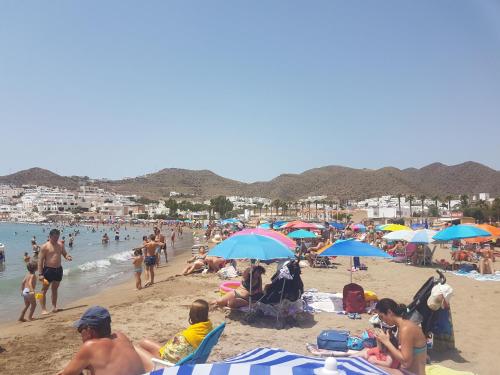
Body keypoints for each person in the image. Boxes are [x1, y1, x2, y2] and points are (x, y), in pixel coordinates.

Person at [58, 306, 145, 375]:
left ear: (89, 331)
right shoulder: (120, 336)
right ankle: (160, 353)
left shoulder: (90, 346)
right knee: (141, 346)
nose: (80, 334)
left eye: (80, 329)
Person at [135, 300, 213, 371]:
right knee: (143, 342)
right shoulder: (206, 329)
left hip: (168, 365)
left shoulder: (190, 335)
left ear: (191, 315)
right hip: (176, 358)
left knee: (135, 349)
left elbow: (174, 352)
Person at [374, 298, 427, 375]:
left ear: (389, 312)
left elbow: (406, 362)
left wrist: (386, 341)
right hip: (405, 371)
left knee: (373, 369)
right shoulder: (403, 325)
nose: (382, 321)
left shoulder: (406, 329)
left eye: (381, 317)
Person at [37, 228, 73, 314]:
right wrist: (40, 274)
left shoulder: (60, 245)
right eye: (54, 237)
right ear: (50, 236)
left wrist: (67, 257)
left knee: (55, 289)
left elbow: (64, 253)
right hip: (48, 270)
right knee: (43, 290)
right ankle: (43, 309)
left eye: (57, 237)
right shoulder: (45, 246)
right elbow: (40, 260)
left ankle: (54, 307)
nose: (56, 239)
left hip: (58, 270)